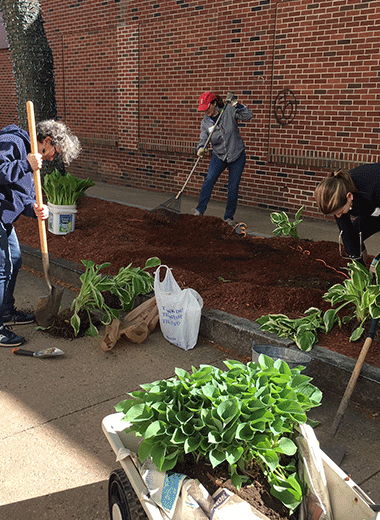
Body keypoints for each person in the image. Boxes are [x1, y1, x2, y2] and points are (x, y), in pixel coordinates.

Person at [0, 120, 81, 347]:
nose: (53, 158)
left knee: (15, 260)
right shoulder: (12, 141)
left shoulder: (31, 156)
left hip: (3, 218)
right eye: (55, 152)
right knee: (2, 268)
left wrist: (33, 208)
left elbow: (16, 192)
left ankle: (6, 312)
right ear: (47, 141)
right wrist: (25, 164)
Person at [192, 91, 253, 225]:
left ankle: (228, 218)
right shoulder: (205, 122)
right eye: (203, 109)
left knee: (232, 187)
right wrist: (201, 148)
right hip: (219, 156)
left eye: (207, 107)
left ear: (214, 104)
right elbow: (203, 138)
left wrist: (236, 104)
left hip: (236, 155)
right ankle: (199, 211)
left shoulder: (229, 111)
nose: (205, 111)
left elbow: (248, 115)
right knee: (209, 180)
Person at [314, 164, 380, 265]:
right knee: (355, 237)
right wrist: (359, 269)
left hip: (376, 195)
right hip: (372, 208)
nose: (339, 215)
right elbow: (348, 236)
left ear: (349, 196)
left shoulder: (374, 186)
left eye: (340, 212)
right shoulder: (339, 194)